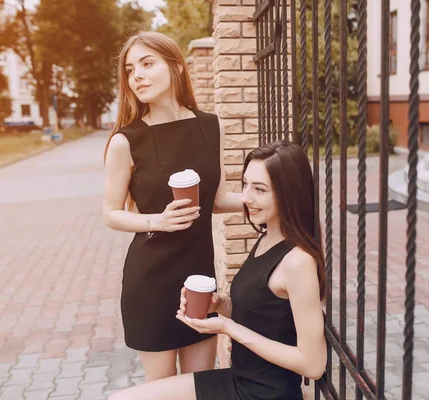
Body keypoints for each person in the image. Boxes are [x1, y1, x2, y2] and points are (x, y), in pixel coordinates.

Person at [108, 141, 328, 400]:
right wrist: (220, 305)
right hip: (240, 379)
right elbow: (267, 317)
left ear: (289, 193)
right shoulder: (267, 238)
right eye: (245, 185)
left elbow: (313, 365)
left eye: (260, 189)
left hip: (264, 393)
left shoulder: (298, 262)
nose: (246, 198)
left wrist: (229, 328)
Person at [103, 31, 243, 382]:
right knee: (164, 388)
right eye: (131, 69)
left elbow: (218, 200)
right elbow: (110, 213)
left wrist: (271, 199)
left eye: (148, 64)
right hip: (151, 281)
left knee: (202, 384)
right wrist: (157, 220)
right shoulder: (126, 141)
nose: (137, 75)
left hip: (198, 277)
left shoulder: (211, 127)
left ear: (177, 67)